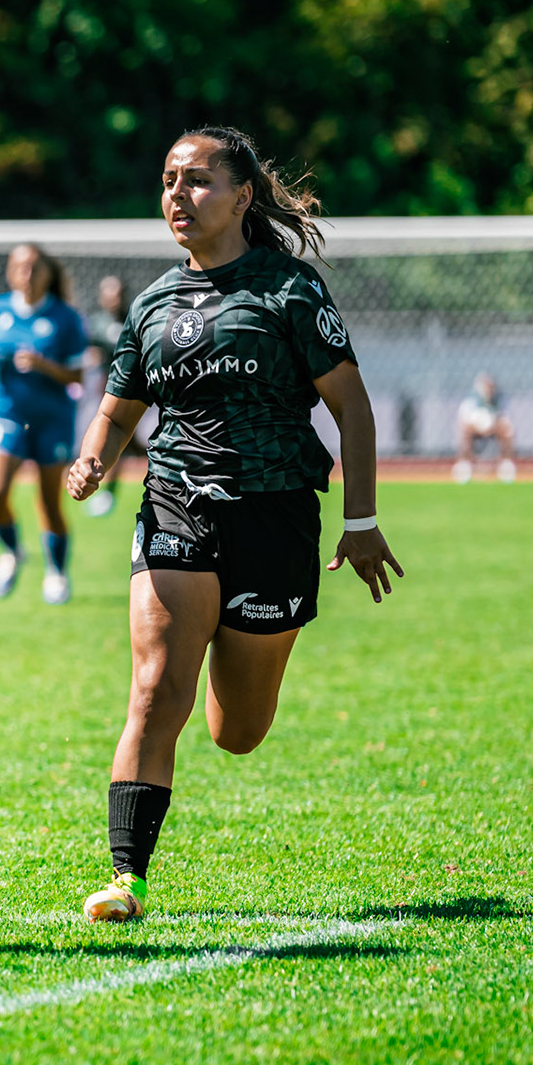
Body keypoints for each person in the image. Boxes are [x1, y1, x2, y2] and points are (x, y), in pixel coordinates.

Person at [66, 126, 403, 922]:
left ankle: (238, 674)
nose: (178, 196)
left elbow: (350, 406)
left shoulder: (289, 290)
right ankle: (126, 876)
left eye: (198, 181)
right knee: (154, 691)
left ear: (243, 196)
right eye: (168, 181)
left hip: (277, 517)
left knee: (238, 730)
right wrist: (92, 459)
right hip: (178, 503)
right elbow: (117, 413)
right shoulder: (151, 305)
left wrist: (361, 520)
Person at [0, 244, 89, 602]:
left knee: (49, 502)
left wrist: (43, 365)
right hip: (7, 413)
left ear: (47, 273)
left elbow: (77, 376)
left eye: (34, 268)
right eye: (19, 267)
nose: (26, 274)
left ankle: (56, 572)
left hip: (52, 419)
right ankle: (11, 552)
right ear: (9, 272)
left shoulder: (65, 317)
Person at [83, 275, 147, 517]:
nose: (113, 298)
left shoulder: (134, 316)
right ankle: (108, 490)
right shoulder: (95, 321)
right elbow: (86, 349)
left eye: (117, 293)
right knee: (121, 439)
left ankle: (108, 491)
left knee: (122, 439)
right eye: (109, 293)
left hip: (133, 392)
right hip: (104, 392)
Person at [453, 373, 516, 483]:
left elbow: (506, 418)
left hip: (494, 428)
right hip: (475, 429)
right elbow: (463, 420)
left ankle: (506, 465)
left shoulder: (500, 400)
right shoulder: (471, 401)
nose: (489, 390)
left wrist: (493, 425)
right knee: (465, 432)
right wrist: (478, 425)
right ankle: (464, 465)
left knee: (507, 430)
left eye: (490, 387)